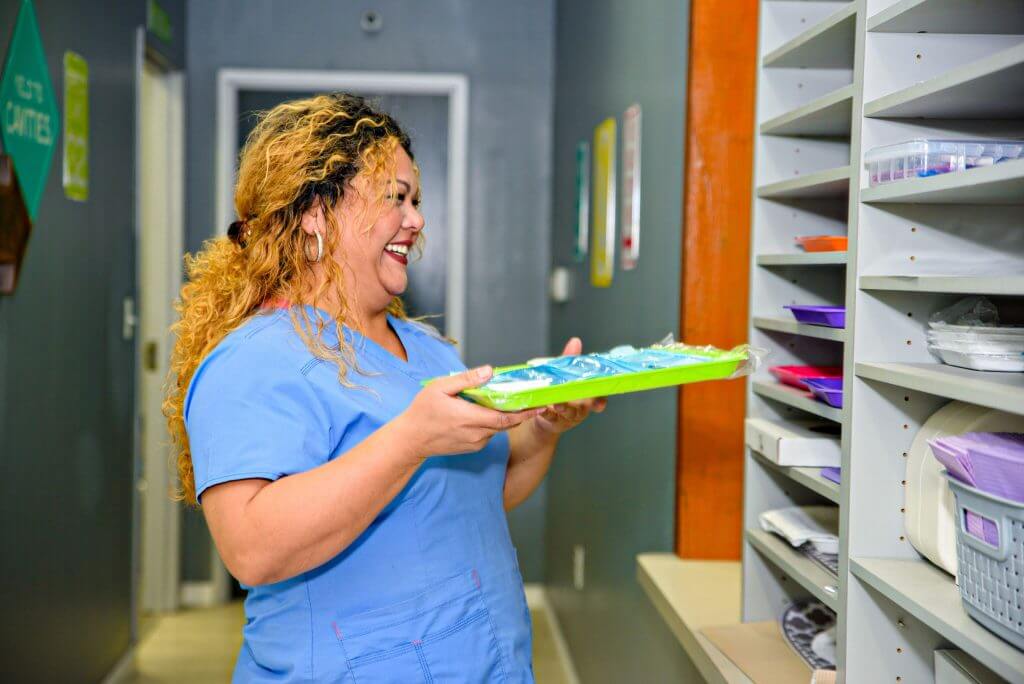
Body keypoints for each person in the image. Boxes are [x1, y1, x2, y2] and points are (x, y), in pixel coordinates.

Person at [164, 93, 605, 683]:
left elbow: (477, 494)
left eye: (415, 199)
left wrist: (545, 425)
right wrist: (411, 439)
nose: (416, 218)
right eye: (394, 197)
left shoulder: (428, 350)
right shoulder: (250, 363)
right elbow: (252, 547)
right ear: (316, 214)